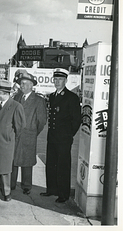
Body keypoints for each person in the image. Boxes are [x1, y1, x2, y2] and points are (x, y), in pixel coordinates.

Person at [40, 68, 81, 203]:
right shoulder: (52, 96)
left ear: (65, 81)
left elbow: (76, 120)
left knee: (63, 165)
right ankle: (51, 189)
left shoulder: (71, 97)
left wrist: (69, 135)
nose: (57, 82)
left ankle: (63, 193)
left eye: (60, 80)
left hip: (64, 138)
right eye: (55, 79)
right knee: (51, 163)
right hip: (52, 137)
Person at [11, 71, 47, 194]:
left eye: (25, 84)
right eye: (21, 83)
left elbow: (41, 121)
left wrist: (33, 131)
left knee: (27, 162)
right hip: (15, 135)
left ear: (32, 86)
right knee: (13, 160)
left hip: (29, 135)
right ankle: (11, 184)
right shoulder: (16, 97)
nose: (22, 86)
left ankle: (26, 186)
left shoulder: (38, 100)